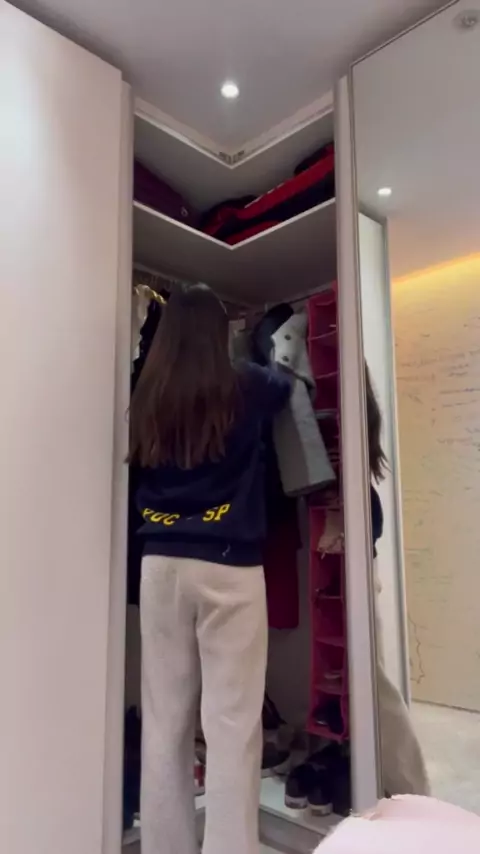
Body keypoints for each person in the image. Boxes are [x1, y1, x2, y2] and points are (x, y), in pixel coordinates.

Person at [129, 283, 291, 854]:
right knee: (231, 727)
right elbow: (285, 385)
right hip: (228, 566)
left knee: (164, 723)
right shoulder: (245, 384)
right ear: (219, 334)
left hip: (160, 565)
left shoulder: (147, 392)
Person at [365, 365, 430, 796]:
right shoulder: (363, 405)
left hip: (358, 558)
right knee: (368, 680)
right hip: (357, 556)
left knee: (374, 682)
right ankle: (393, 783)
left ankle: (412, 790)